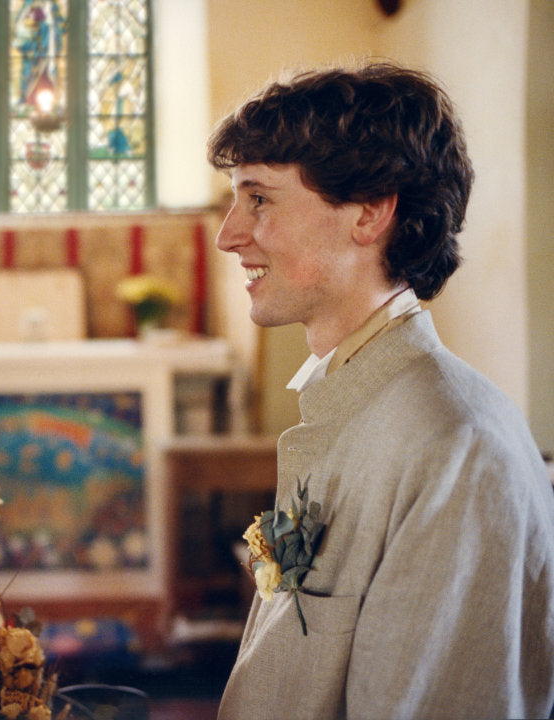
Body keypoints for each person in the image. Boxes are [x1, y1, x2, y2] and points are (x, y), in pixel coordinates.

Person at [207, 62, 554, 718]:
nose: (229, 234)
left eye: (258, 198)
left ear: (369, 211)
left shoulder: (456, 447)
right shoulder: (355, 395)